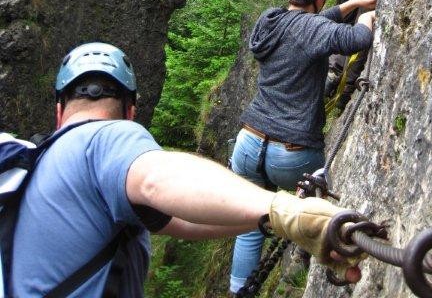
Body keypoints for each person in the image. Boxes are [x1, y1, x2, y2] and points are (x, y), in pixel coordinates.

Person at [10, 41, 364, 297]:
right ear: (131, 111)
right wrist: (285, 210)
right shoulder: (106, 137)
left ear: (59, 110)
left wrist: (280, 218)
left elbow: (184, 220)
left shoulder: (40, 168)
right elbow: (158, 181)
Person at [229, 0, 377, 295]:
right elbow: (354, 40)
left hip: (249, 143)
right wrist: (367, 18)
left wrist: (353, 3)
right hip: (292, 153)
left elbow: (309, 26)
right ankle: (337, 268)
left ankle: (239, 292)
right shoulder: (312, 29)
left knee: (250, 225)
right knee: (319, 213)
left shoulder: (269, 21)